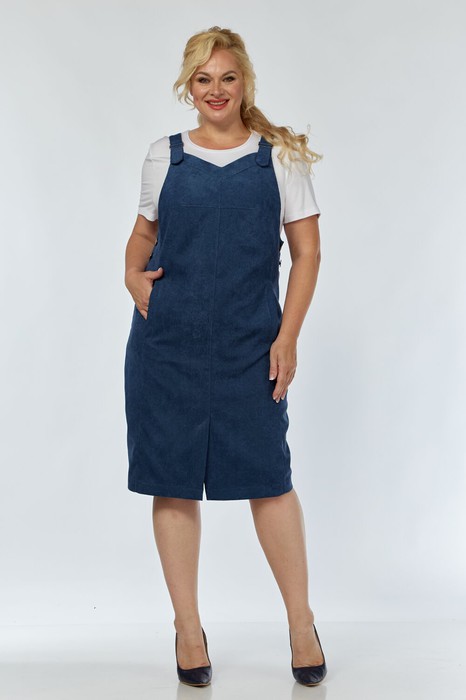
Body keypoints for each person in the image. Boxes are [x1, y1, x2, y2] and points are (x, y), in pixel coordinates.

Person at [124, 26, 327, 688]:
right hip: (167, 346)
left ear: (245, 83)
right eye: (203, 79)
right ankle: (188, 629)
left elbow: (307, 254)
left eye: (227, 78)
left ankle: (301, 623)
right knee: (173, 481)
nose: (216, 90)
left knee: (270, 480)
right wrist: (131, 276)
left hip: (250, 346)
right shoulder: (164, 156)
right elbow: (142, 235)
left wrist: (287, 336)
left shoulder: (280, 158)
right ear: (189, 86)